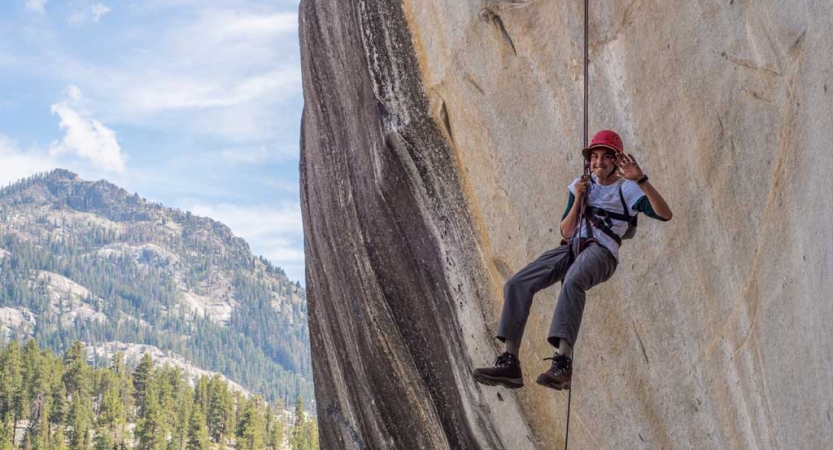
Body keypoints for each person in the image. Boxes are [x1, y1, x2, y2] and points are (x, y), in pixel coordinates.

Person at [472, 130, 672, 390]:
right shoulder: (581, 184)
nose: (598, 163)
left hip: (602, 252)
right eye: (594, 157)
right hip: (572, 245)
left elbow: (664, 214)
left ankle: (563, 363)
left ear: (617, 161)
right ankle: (510, 362)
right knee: (517, 284)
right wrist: (578, 197)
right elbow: (566, 231)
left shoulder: (629, 189)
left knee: (574, 280)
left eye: (605, 158)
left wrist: (642, 180)